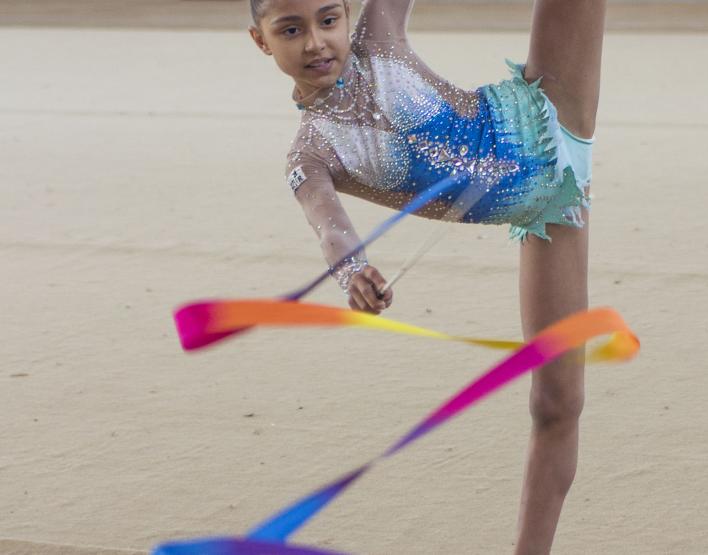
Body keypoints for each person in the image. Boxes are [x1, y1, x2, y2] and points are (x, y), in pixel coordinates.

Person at [249, 0, 605, 552]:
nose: (316, 43)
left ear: (346, 15)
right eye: (291, 30)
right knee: (555, 404)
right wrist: (354, 272)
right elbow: (331, 229)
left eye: (327, 20)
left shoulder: (378, 39)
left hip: (552, 101)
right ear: (262, 41)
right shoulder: (312, 154)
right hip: (553, 211)